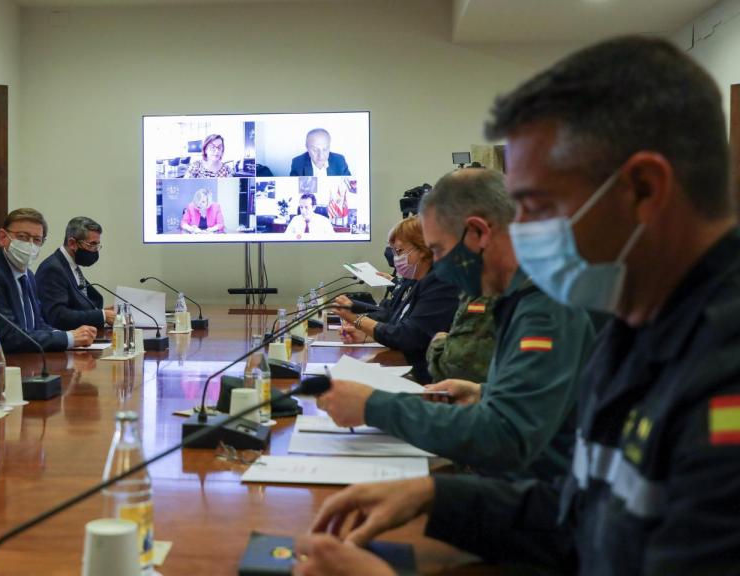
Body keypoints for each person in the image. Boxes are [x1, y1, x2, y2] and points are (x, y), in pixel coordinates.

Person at [297, 36, 740, 576]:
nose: (518, 234)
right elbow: (589, 524)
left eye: (536, 206)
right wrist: (437, 499)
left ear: (644, 189)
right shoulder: (637, 330)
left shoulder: (721, 373)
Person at [320, 169, 595, 482]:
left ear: (477, 233)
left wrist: (374, 406)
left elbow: (507, 439)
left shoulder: (545, 308)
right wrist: (484, 394)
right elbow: (543, 402)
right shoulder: (522, 298)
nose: (442, 270)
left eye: (439, 250)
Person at [0, 208, 96, 365]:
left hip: (17, 364)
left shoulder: (27, 275)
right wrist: (69, 338)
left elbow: (37, 324)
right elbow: (8, 336)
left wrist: (68, 337)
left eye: (37, 240)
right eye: (23, 237)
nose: (30, 244)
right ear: (3, 237)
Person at [334, 217, 458, 382]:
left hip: (429, 380)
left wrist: (358, 321)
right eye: (393, 252)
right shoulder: (414, 280)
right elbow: (393, 319)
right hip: (409, 368)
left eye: (399, 251)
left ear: (423, 249)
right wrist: (365, 335)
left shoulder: (441, 283)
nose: (395, 259)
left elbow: (409, 337)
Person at [36, 216, 114, 330]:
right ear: (72, 243)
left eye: (98, 245)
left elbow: (75, 305)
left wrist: (101, 312)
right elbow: (57, 316)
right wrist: (102, 316)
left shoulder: (70, 265)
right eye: (92, 244)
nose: (95, 250)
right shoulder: (53, 269)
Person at [425, 292, 497, 383]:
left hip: (467, 391)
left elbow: (455, 366)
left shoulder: (485, 297)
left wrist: (437, 344)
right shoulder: (472, 291)